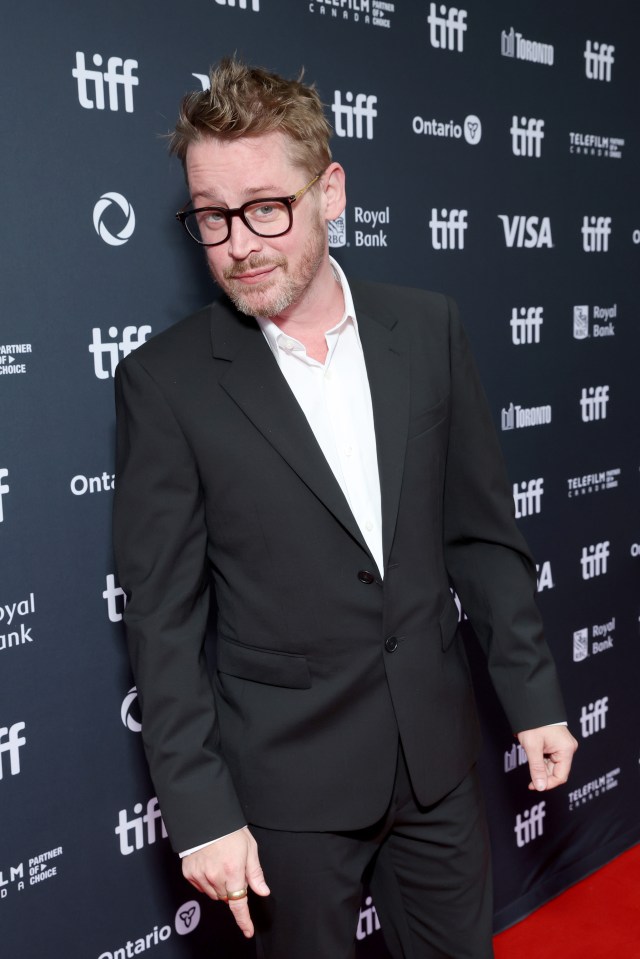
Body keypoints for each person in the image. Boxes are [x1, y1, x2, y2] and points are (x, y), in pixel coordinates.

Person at [113, 57, 577, 959]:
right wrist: (202, 813)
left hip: (437, 761)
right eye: (212, 217)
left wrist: (532, 697)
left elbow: (481, 535)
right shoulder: (163, 385)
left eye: (266, 209)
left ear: (331, 191)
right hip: (284, 792)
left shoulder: (428, 328)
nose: (240, 243)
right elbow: (161, 621)